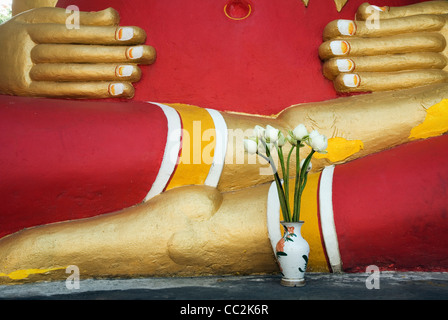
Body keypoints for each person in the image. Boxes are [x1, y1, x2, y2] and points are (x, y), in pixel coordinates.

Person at [0, 0, 447, 284]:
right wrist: (11, 48)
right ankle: (281, 159)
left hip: (399, 158)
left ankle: (218, 232)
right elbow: (30, 16)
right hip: (108, 135)